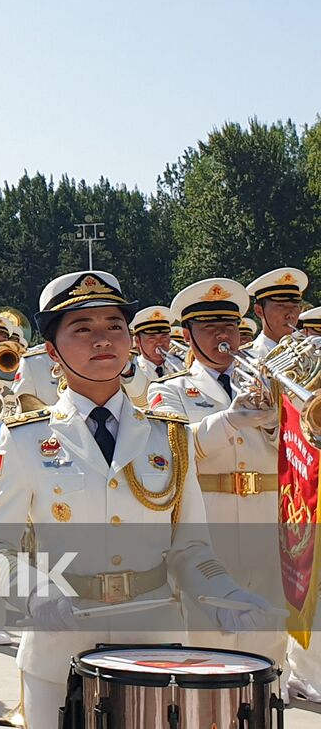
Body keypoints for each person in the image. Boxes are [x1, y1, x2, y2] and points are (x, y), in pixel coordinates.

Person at [0, 270, 272, 728]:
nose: (103, 339)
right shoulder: (25, 440)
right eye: (82, 328)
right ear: (51, 352)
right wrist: (33, 592)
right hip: (58, 648)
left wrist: (222, 593)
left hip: (154, 645)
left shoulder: (168, 435)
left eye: (114, 326)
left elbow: (190, 547)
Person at [147, 278, 286, 668]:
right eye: (208, 328)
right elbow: (168, 453)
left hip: (266, 517)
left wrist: (276, 425)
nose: (222, 336)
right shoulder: (170, 390)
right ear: (188, 336)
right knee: (207, 627)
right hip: (207, 520)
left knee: (269, 626)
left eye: (229, 327)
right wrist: (230, 420)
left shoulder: (266, 383)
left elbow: (298, 450)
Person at [245, 267, 307, 357]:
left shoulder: (310, 353)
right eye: (281, 306)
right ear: (259, 311)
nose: (290, 315)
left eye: (295, 306)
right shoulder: (247, 357)